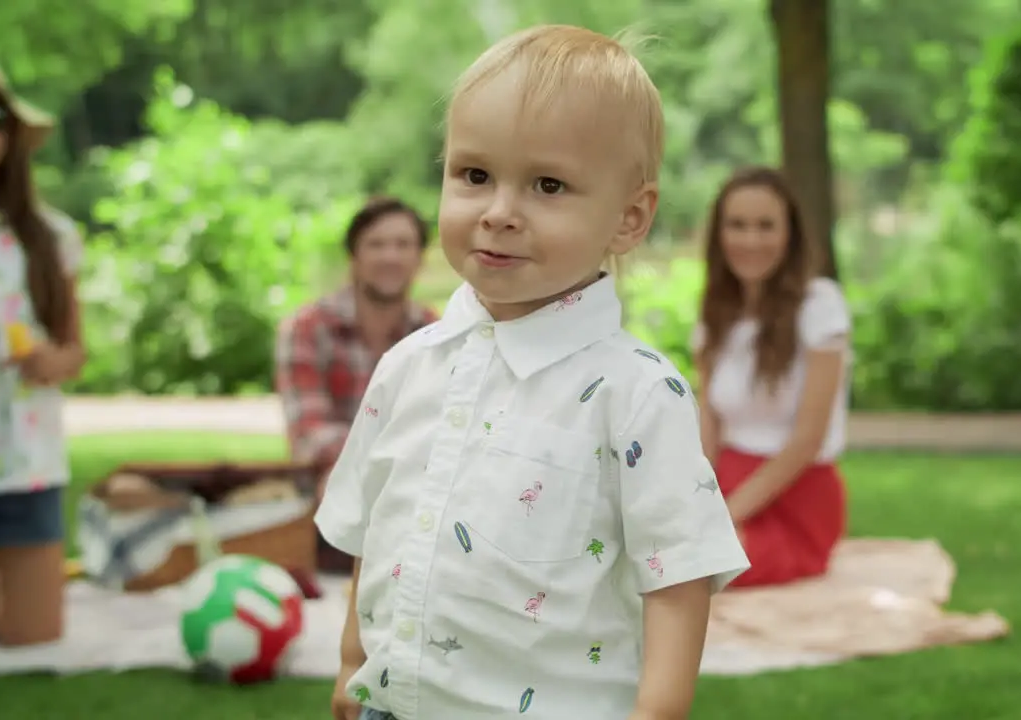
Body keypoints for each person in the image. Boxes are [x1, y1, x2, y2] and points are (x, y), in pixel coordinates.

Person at [317, 25, 749, 720]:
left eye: (548, 184)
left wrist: (658, 711)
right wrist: (350, 663)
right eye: (474, 175)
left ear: (629, 218)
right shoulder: (409, 366)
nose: (498, 213)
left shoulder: (635, 393)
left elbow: (679, 574)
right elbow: (378, 528)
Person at [693, 166, 852, 589]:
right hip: (727, 483)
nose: (751, 240)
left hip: (795, 496)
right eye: (738, 225)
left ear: (790, 235)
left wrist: (725, 519)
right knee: (647, 553)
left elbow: (807, 441)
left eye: (766, 226)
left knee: (691, 572)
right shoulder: (716, 315)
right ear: (719, 234)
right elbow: (710, 424)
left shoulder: (821, 306)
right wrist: (697, 502)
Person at [0, 51, 88, 646]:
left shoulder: (51, 237)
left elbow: (75, 352)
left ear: (12, 134)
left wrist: (51, 362)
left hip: (23, 451)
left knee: (32, 636)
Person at [275, 196, 438, 574]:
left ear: (419, 258)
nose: (390, 257)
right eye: (377, 244)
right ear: (355, 257)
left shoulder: (436, 333)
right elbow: (308, 432)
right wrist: (371, 467)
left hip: (409, 497)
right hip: (325, 493)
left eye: (403, 245)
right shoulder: (306, 328)